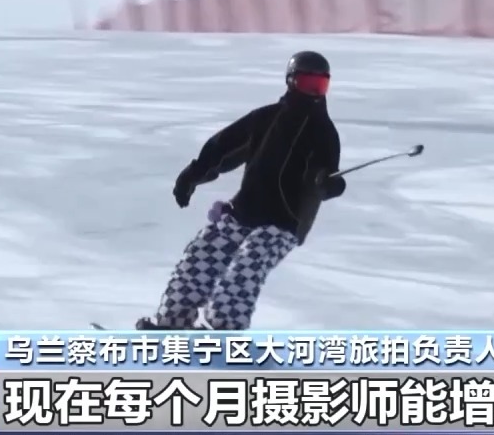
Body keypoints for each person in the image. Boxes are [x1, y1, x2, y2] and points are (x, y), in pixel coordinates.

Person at [136, 51, 346, 330]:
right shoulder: (266, 118)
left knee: (242, 271)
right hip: (243, 213)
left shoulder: (324, 132)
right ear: (291, 82)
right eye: (308, 84)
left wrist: (329, 185)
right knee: (198, 260)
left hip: (284, 223)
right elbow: (224, 147)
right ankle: (171, 323)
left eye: (320, 86)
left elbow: (325, 175)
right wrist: (193, 175)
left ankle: (225, 330)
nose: (314, 92)